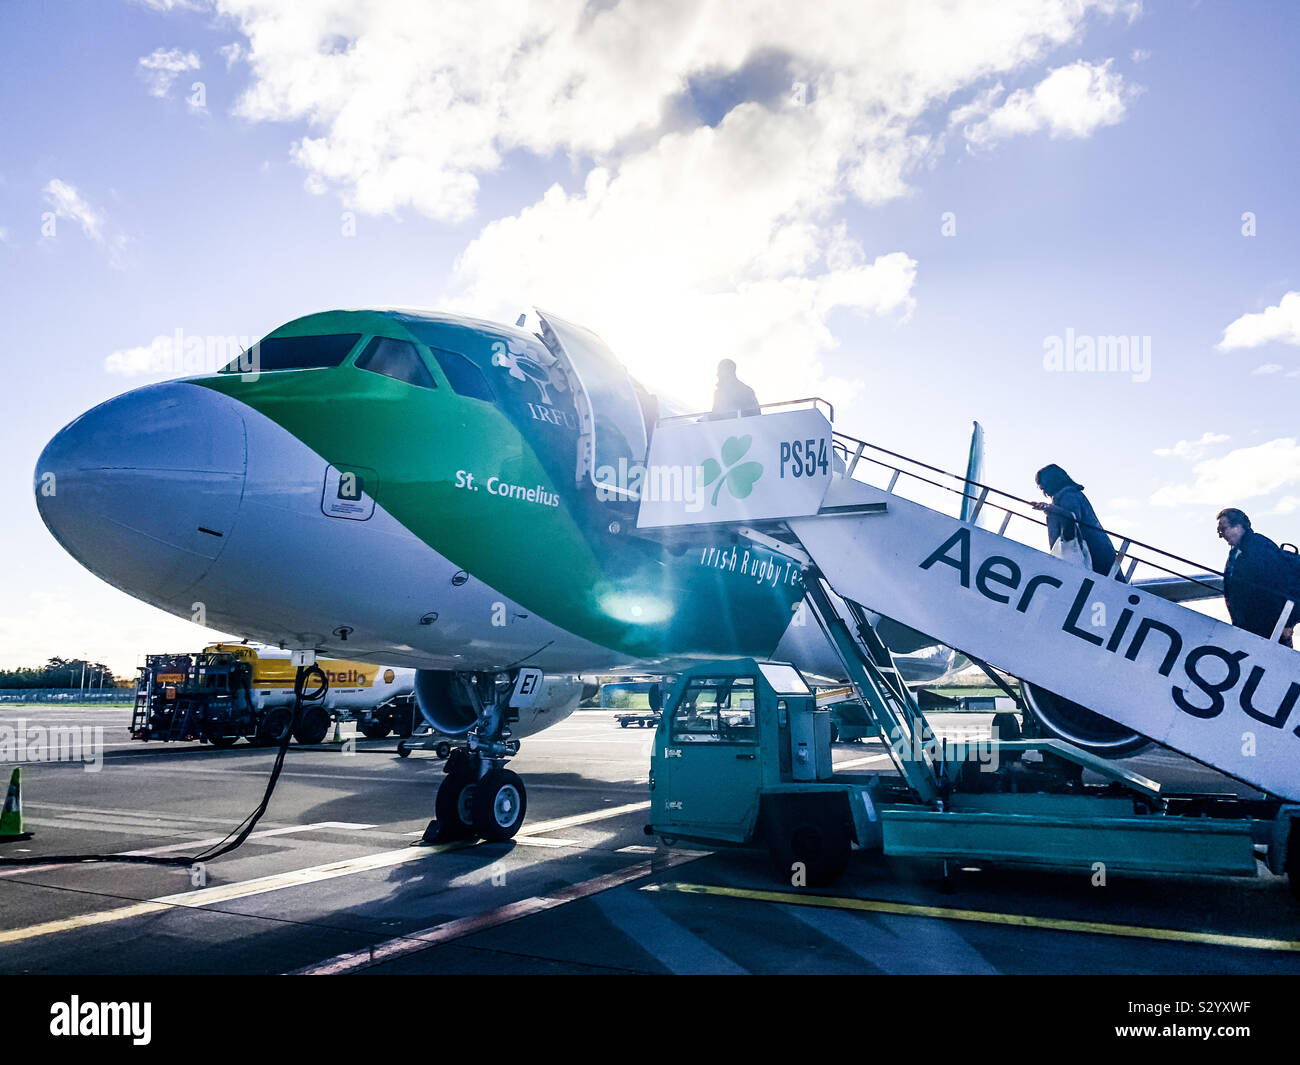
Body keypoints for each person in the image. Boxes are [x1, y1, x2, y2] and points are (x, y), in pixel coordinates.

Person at [1217, 508, 1299, 647]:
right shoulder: (1236, 554)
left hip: (1269, 631)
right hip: (1251, 631)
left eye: (1223, 529)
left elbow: (1284, 584)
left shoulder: (1259, 548)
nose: (1221, 535)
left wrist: (1287, 624)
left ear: (1238, 526)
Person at [1031, 464, 1116, 576]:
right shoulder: (1070, 494)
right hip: (1098, 548)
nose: (1042, 489)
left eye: (1042, 485)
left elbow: (1072, 519)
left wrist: (1049, 508)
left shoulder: (1068, 495)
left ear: (1051, 481)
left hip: (1091, 550)